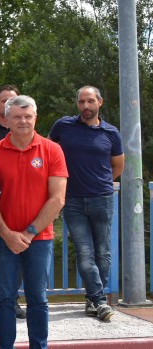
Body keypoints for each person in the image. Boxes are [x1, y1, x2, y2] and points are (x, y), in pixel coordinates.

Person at [0, 95, 68, 349]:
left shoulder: (52, 150)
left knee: (38, 299)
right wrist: (8, 234)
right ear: (6, 119)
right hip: (2, 238)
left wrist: (29, 232)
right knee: (5, 299)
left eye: (28, 116)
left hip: (40, 238)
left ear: (35, 117)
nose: (22, 121)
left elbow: (57, 198)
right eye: (17, 116)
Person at [49, 86, 124, 321]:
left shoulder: (111, 133)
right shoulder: (64, 126)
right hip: (71, 199)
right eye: (81, 102)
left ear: (100, 102)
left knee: (103, 252)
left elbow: (118, 164)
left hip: (102, 199)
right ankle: (100, 301)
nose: (85, 106)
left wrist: (101, 183)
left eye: (90, 101)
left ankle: (93, 300)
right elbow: (49, 150)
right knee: (84, 252)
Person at [0, 84, 26, 320]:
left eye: (13, 100)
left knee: (21, 261)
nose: (8, 104)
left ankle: (16, 300)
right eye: (4, 101)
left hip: (24, 207)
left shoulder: (24, 125)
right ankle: (1, 301)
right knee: (2, 262)